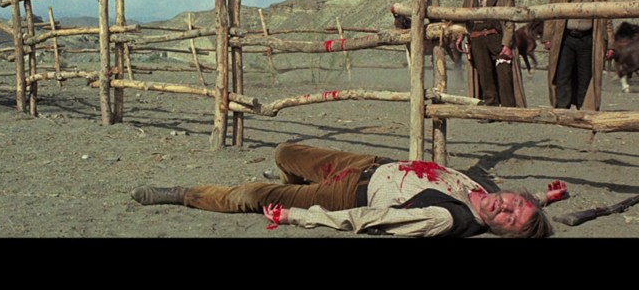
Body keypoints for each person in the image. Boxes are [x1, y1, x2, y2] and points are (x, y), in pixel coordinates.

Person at [131, 142, 568, 238]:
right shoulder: (487, 191)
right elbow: (519, 203)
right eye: (516, 203)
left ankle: (183, 194)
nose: (506, 206)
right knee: (285, 153)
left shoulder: (443, 219)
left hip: (348, 195)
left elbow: (368, 219)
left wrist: (298, 216)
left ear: (501, 232)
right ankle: (297, 186)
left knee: (251, 196)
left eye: (510, 219)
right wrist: (544, 199)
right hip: (366, 165)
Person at [542, 0, 615, 110]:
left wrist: (610, 45)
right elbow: (550, 14)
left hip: (588, 40)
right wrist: (548, 37)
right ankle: (562, 109)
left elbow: (607, 21)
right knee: (562, 74)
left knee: (585, 76)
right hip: (565, 38)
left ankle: (584, 109)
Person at [457, 0, 526, 109]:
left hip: (497, 36)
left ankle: (508, 109)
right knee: (484, 74)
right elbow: (464, 13)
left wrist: (506, 44)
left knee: (504, 73)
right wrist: (461, 34)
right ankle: (491, 108)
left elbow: (509, 20)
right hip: (476, 37)